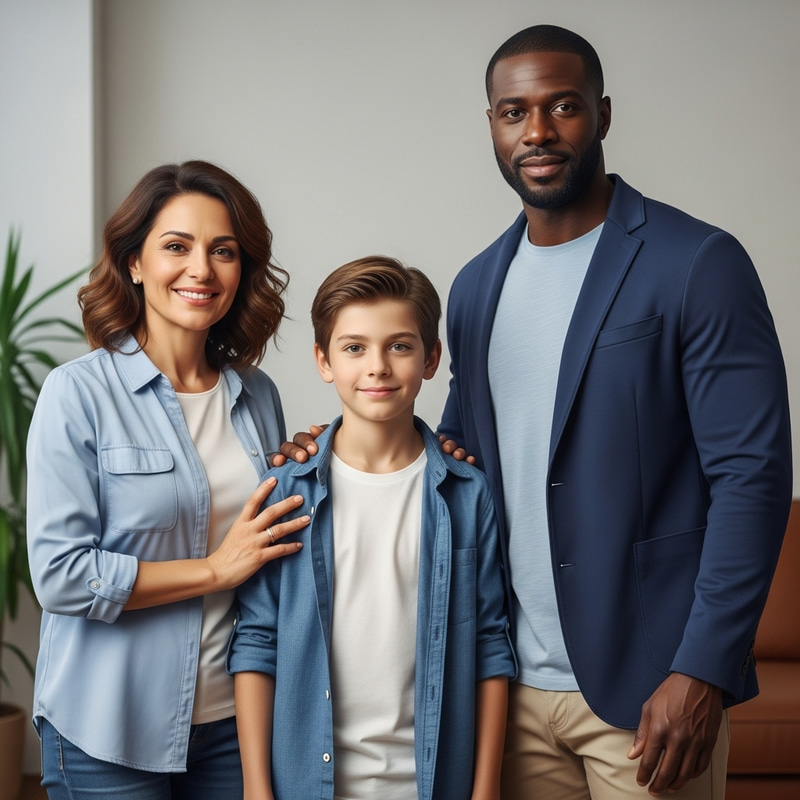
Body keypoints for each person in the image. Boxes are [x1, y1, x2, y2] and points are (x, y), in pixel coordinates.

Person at [283, 25, 793, 800]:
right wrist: (328, 452)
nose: (539, 131)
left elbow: (753, 476)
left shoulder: (696, 262)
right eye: (514, 112)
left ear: (604, 114)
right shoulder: (478, 285)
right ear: (491, 124)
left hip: (649, 690)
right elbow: (454, 454)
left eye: (563, 107)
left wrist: (702, 669)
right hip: (511, 692)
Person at [26, 160, 310, 800]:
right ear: (133, 262)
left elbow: (268, 544)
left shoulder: (257, 395)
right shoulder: (77, 394)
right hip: (109, 732)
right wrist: (214, 570)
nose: (201, 270)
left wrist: (319, 467)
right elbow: (62, 574)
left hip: (234, 724)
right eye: (176, 247)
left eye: (223, 251)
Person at [228, 256, 516, 800]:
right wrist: (256, 790)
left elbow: (488, 643)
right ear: (324, 360)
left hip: (434, 782)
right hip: (307, 783)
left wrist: (486, 789)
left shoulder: (467, 494)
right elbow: (257, 641)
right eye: (354, 347)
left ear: (431, 359)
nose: (378, 366)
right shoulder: (287, 491)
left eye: (400, 346)